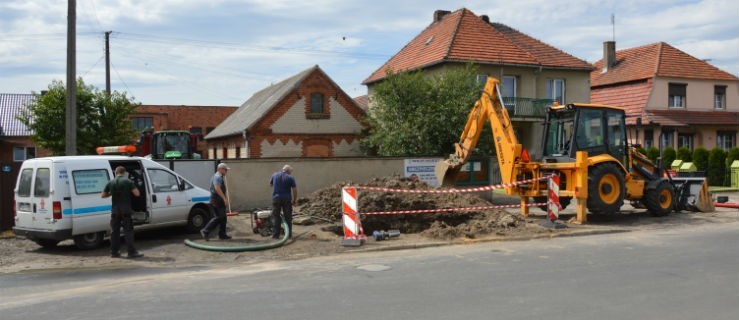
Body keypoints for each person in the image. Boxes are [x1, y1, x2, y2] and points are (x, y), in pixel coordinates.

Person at [101, 166, 143, 258]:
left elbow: (103, 195)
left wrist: (111, 194)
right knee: (128, 231)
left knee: (114, 232)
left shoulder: (110, 182)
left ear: (116, 173)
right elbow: (137, 193)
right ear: (124, 173)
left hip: (115, 211)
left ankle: (114, 252)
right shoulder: (128, 181)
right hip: (126, 210)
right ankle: (131, 252)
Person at [201, 163, 232, 240]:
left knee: (223, 217)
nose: (226, 171)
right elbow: (217, 188)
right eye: (225, 170)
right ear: (220, 169)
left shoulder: (218, 176)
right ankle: (205, 231)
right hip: (216, 200)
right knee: (218, 217)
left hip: (218, 200)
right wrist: (224, 198)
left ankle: (222, 234)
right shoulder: (218, 177)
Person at [269, 164, 297, 239]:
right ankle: (288, 235)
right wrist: (294, 200)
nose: (291, 173)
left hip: (276, 198)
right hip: (287, 199)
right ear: (288, 171)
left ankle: (275, 235)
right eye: (290, 171)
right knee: (288, 217)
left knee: (276, 216)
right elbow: (294, 190)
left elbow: (270, 185)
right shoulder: (290, 177)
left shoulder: (274, 175)